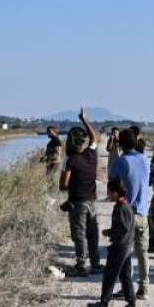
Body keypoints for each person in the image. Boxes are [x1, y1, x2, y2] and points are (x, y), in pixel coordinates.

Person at [108, 128, 151, 299]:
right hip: (142, 213)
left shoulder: (121, 162)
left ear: (122, 144)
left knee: (124, 254)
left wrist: (113, 149)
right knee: (143, 253)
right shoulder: (146, 159)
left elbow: (111, 179)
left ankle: (126, 288)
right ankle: (144, 288)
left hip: (126, 214)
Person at [86, 177, 138, 307]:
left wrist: (109, 232)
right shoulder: (126, 206)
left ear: (116, 193)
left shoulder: (121, 208)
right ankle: (131, 304)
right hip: (127, 245)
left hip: (121, 246)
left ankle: (104, 304)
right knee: (125, 275)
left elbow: (124, 228)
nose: (108, 194)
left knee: (110, 274)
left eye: (109, 191)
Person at [60, 107, 101, 275]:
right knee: (92, 234)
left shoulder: (69, 160)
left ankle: (82, 265)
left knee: (79, 234)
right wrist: (85, 120)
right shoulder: (91, 155)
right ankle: (96, 263)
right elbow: (95, 138)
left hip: (78, 202)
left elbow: (63, 184)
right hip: (92, 201)